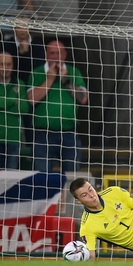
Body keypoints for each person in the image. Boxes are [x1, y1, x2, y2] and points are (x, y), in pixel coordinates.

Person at [27, 40, 88, 173]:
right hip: (44, 134)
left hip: (69, 134)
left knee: (73, 179)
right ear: (46, 55)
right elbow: (31, 99)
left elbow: (83, 98)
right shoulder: (37, 72)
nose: (55, 57)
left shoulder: (74, 72)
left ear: (65, 55)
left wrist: (66, 80)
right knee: (42, 178)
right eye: (52, 53)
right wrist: (49, 79)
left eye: (59, 53)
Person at [0, 52, 28, 170]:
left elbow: (24, 108)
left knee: (11, 180)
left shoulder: (20, 84)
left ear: (13, 65)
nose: (5, 68)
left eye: (9, 64)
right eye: (2, 64)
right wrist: (13, 101)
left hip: (13, 139)